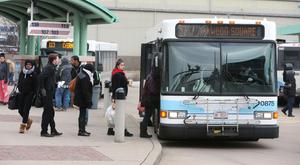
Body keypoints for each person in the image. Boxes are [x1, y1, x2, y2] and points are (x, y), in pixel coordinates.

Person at [108, 59, 133, 137]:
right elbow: (116, 86)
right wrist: (114, 98)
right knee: (120, 114)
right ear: (118, 66)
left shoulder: (118, 73)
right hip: (119, 97)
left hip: (118, 96)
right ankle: (123, 130)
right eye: (122, 65)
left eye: (123, 65)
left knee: (115, 114)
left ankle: (110, 129)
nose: (123, 66)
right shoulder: (118, 74)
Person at [40, 53, 63, 137]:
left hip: (49, 91)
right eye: (58, 58)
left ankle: (53, 129)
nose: (59, 60)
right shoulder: (49, 67)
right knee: (47, 112)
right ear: (54, 60)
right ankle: (44, 131)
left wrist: (55, 84)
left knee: (50, 112)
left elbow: (49, 79)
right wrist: (43, 89)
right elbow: (41, 77)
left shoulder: (52, 67)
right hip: (47, 93)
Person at [17, 60, 38, 133]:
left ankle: (23, 126)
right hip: (21, 93)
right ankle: (28, 120)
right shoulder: (22, 73)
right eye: (27, 64)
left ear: (32, 65)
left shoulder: (34, 74)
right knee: (20, 110)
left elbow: (36, 85)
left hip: (29, 94)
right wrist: (19, 88)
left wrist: (34, 94)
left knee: (26, 110)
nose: (28, 66)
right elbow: (19, 82)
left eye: (30, 64)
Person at [74, 64, 94, 136]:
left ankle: (82, 129)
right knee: (82, 115)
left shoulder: (82, 74)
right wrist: (89, 101)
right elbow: (85, 91)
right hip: (82, 99)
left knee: (82, 114)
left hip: (81, 98)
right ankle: (81, 131)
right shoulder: (85, 77)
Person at [140, 67, 160, 138]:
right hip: (149, 100)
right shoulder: (152, 78)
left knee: (147, 116)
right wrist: (159, 91)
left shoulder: (150, 76)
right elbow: (153, 90)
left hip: (148, 99)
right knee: (147, 116)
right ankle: (143, 132)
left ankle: (143, 131)